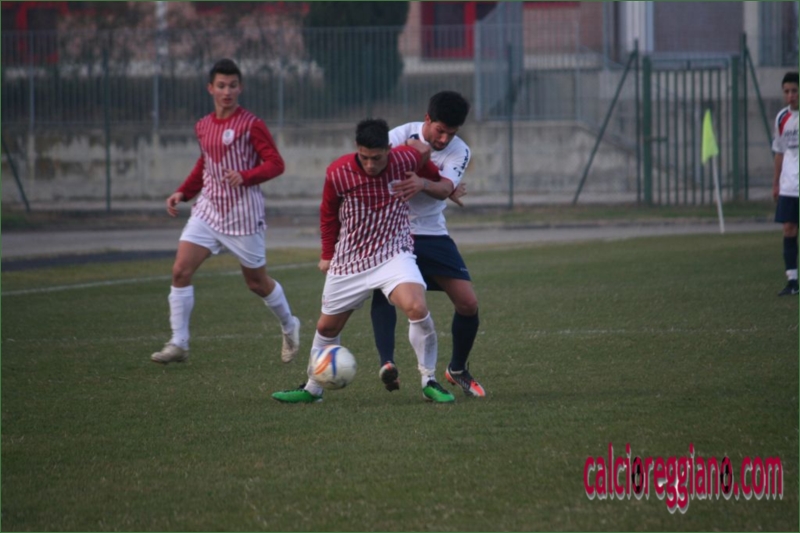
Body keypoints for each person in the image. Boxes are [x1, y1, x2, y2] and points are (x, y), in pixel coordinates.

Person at [271, 118, 456, 404]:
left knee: (417, 307)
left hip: (393, 253)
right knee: (327, 328)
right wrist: (327, 254)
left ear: (389, 150)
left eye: (377, 158)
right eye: (364, 157)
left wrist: (435, 182)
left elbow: (423, 153)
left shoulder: (404, 158)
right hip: (350, 259)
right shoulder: (338, 172)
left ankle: (428, 380)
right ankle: (312, 389)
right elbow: (328, 214)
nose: (370, 164)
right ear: (357, 148)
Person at [150, 58, 301, 364]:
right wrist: (184, 192)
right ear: (210, 88)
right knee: (180, 271)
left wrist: (246, 176)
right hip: (208, 212)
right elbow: (205, 164)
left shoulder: (251, 125)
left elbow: (276, 164)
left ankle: (289, 324)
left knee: (256, 283)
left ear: (240, 88)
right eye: (221, 86)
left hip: (243, 216)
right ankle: (179, 343)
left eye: (232, 85)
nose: (227, 91)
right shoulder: (203, 125)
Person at [370, 91, 486, 397]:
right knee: (385, 292)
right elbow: (373, 171)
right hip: (393, 230)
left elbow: (445, 188)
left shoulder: (460, 150)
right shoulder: (396, 137)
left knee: (468, 304)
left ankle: (457, 369)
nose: (444, 139)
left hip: (432, 232)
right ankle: (387, 363)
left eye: (452, 133)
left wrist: (424, 183)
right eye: (440, 130)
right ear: (427, 119)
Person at [772, 71, 799, 296]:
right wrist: (776, 184)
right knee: (789, 229)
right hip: (789, 185)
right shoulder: (781, 118)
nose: (791, 95)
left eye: (794, 91)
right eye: (787, 91)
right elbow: (780, 153)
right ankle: (792, 281)